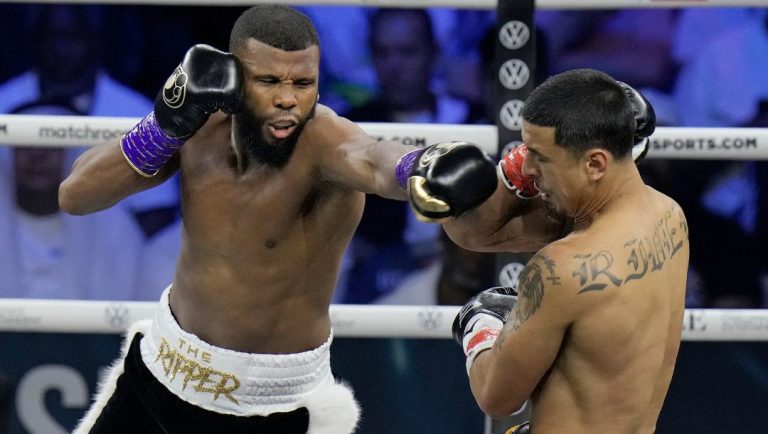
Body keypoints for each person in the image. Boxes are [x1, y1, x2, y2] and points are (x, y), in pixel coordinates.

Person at [57, 6, 492, 433]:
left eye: (303, 83)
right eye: (268, 81)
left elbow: (374, 159)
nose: (288, 99)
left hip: (270, 407)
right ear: (234, 79)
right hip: (162, 371)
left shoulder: (324, 143)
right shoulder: (199, 127)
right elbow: (76, 195)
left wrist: (419, 166)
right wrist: (166, 123)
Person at [402, 68, 689, 432]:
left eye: (539, 156)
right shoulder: (670, 217)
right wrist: (508, 177)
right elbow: (479, 235)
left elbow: (496, 397)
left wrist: (481, 325)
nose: (527, 167)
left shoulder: (562, 269)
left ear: (595, 163)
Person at [0, 4, 179, 238]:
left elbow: (157, 212)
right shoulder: (4, 104)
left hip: (109, 253)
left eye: (70, 37)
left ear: (93, 40)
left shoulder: (136, 112)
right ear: (34, 41)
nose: (59, 49)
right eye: (50, 36)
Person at [0, 101, 145, 300]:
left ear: (74, 156)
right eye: (25, 147)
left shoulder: (114, 226)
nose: (37, 158)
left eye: (51, 148)